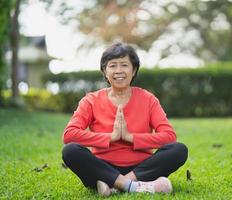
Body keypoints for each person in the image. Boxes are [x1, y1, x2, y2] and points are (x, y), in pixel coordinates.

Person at [62, 42, 188, 197]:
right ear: (104, 71)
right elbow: (69, 135)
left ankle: (118, 184)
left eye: (124, 65)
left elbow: (169, 136)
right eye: (113, 65)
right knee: (70, 151)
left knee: (179, 149)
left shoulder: (148, 99)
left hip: (141, 168)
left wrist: (130, 137)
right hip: (102, 167)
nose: (119, 71)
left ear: (134, 70)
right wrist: (111, 137)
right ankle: (137, 186)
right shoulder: (91, 100)